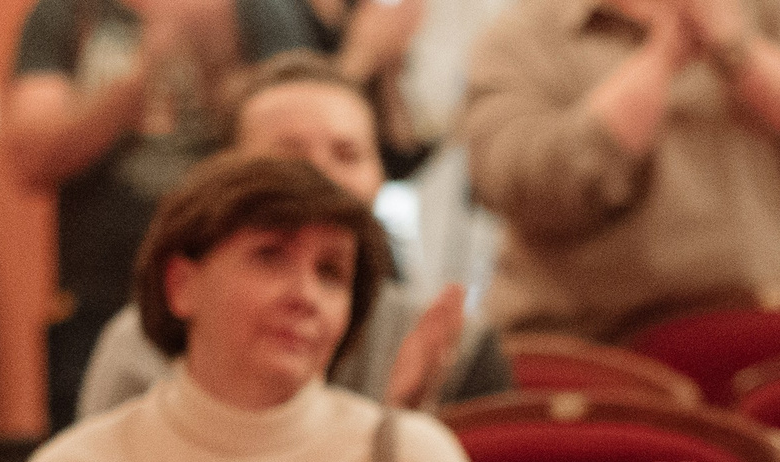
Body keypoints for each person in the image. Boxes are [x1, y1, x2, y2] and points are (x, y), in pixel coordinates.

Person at [14, 153, 486, 462]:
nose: (305, 295)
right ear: (181, 285)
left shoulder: (412, 460)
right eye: (269, 256)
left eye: (330, 273)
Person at [75, 52, 510, 419]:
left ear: (381, 177)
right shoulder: (138, 349)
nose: (321, 177)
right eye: (289, 154)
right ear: (227, 176)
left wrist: (406, 425)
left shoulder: (457, 352)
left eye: (347, 154)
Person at [458, 0, 780, 340]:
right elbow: (511, 180)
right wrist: (661, 58)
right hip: (595, 343)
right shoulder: (523, 35)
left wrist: (738, 50)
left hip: (775, 330)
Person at [6, 0, 316, 430]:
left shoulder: (261, 10)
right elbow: (30, 158)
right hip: (98, 300)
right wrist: (137, 80)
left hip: (241, 300)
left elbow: (306, 136)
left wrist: (217, 64)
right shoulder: (66, 12)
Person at [270, 0, 435, 178]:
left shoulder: (365, 10)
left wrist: (389, 68)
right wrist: (362, 56)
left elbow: (401, 158)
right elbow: (288, 116)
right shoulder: (270, 9)